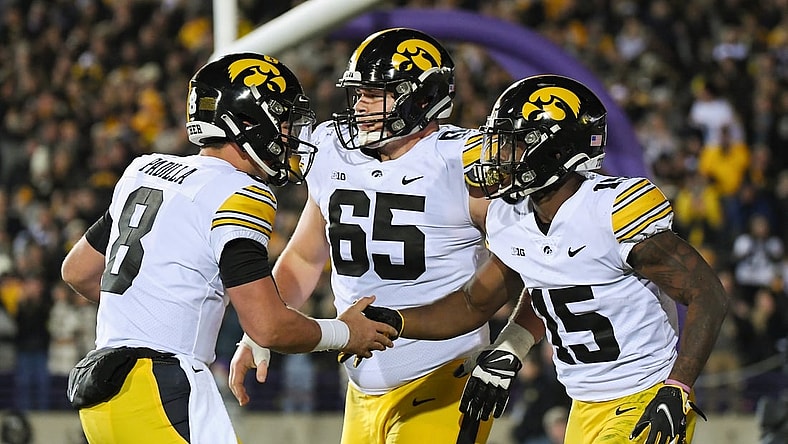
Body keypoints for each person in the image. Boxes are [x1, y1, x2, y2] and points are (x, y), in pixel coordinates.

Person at [364, 74, 730, 444]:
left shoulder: (610, 210)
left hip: (645, 396)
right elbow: (477, 302)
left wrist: (678, 387)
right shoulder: (511, 217)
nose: (499, 155)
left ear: (556, 150)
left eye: (514, 143)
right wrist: (402, 322)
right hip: (583, 406)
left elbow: (708, 294)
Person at [59, 52, 397, 444]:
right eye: (283, 121)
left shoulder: (144, 170)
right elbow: (268, 326)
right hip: (165, 389)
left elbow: (77, 271)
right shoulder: (240, 191)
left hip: (104, 396)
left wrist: (151, 305)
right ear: (249, 122)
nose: (289, 135)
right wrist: (345, 333)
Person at [228, 28, 496, 443]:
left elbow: (528, 259)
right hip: (361, 388)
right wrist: (256, 332)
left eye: (376, 93)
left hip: (445, 375)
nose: (360, 106)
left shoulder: (463, 161)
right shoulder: (333, 150)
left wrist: (515, 342)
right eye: (358, 93)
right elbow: (304, 257)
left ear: (422, 98)